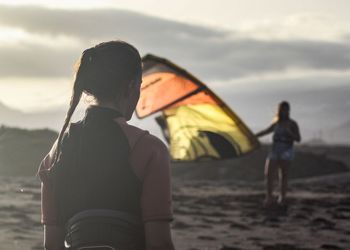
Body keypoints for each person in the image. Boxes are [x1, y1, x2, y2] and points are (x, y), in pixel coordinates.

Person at [37, 41, 174, 250]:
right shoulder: (150, 149)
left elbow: (52, 245)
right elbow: (160, 244)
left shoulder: (54, 154)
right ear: (130, 87)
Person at [255, 101, 301, 207]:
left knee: (283, 175)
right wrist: (253, 136)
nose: (284, 111)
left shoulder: (292, 124)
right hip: (275, 149)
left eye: (286, 109)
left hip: (286, 150)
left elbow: (298, 138)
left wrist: (290, 133)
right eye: (282, 109)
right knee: (268, 173)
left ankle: (282, 197)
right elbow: (266, 131)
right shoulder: (277, 123)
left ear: (288, 111)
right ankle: (269, 197)